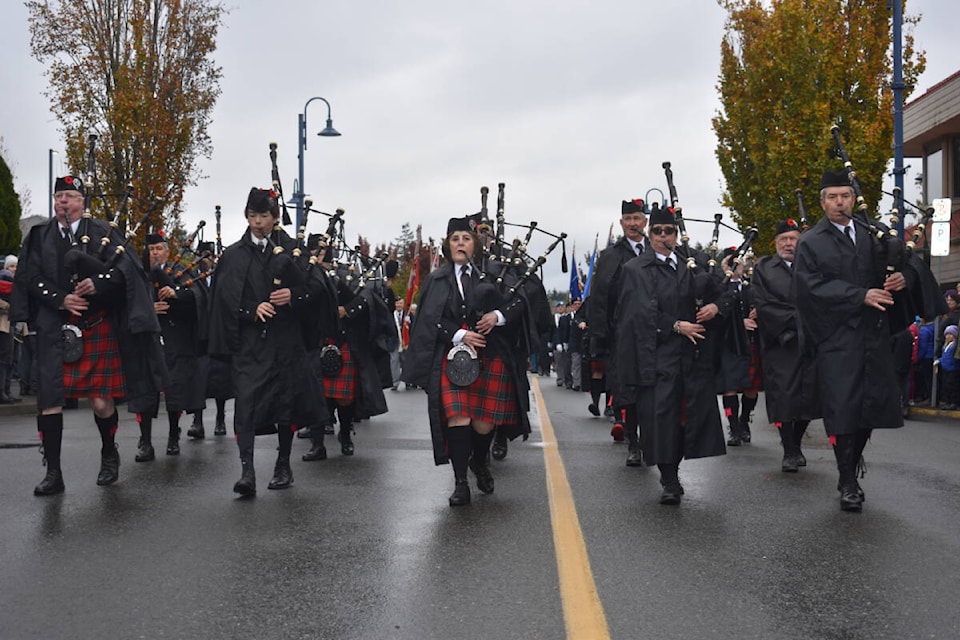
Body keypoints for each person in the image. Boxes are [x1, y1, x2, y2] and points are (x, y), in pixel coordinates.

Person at [13, 175, 166, 495]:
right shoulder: (39, 236)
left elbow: (126, 272)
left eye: (69, 196)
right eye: (58, 197)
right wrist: (61, 298)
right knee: (49, 402)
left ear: (82, 201)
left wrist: (99, 284)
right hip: (55, 326)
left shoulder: (100, 232)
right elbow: (31, 277)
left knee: (99, 401)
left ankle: (109, 451)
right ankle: (53, 472)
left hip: (95, 324)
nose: (62, 202)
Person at [794, 170, 920, 512]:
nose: (839, 202)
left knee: (870, 409)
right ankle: (847, 479)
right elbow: (809, 288)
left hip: (873, 336)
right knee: (843, 408)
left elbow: (909, 263)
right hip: (836, 338)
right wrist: (858, 295)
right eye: (832, 197)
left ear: (853, 198)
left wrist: (901, 278)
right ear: (822, 202)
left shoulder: (871, 233)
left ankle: (850, 468)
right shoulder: (811, 242)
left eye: (845, 196)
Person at [401, 215, 532, 506]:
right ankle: (461, 482)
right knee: (459, 418)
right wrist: (459, 334)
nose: (461, 243)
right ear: (448, 246)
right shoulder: (437, 279)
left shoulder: (495, 272)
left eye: (466, 238)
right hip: (453, 358)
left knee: (484, 423)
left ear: (476, 244)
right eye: (455, 239)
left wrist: (497, 317)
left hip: (491, 353)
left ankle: (480, 461)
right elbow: (429, 320)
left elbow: (521, 300)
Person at [207, 187, 327, 496]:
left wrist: (293, 297)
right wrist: (250, 310)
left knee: (285, 404)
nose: (258, 222)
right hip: (250, 343)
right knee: (246, 404)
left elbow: (317, 289)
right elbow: (223, 298)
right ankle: (247, 471)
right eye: (252, 216)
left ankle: (283, 465)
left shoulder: (293, 249)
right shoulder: (234, 255)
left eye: (263, 216)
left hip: (286, 340)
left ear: (275, 217)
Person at [616, 206, 726, 504]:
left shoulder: (692, 264)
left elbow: (722, 293)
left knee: (682, 418)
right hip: (657, 354)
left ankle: (673, 470)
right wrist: (676, 326)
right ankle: (668, 478)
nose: (664, 236)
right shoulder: (635, 269)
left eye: (669, 231)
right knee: (661, 418)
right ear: (649, 234)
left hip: (692, 356)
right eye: (658, 231)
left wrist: (715, 307)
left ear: (676, 235)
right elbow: (637, 313)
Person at [752, 218, 820, 472]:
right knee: (784, 398)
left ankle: (797, 443)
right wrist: (793, 321)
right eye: (783, 240)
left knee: (808, 397)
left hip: (810, 341)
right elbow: (763, 304)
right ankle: (788, 449)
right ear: (776, 243)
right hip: (780, 342)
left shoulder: (813, 266)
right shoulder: (764, 267)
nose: (789, 244)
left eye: (793, 239)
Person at [133, 232, 208, 461]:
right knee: (144, 391)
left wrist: (177, 295)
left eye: (158, 248)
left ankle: (173, 435)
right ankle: (145, 441)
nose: (154, 253)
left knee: (175, 389)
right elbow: (126, 301)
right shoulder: (137, 273)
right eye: (151, 249)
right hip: (146, 339)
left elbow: (200, 297)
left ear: (167, 251)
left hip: (176, 339)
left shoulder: (180, 272)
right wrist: (148, 310)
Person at [587, 198, 647, 460]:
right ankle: (634, 443)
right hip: (623, 336)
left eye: (637, 218)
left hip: (657, 335)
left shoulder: (658, 251)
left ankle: (651, 439)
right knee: (628, 391)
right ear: (622, 223)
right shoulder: (610, 256)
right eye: (628, 219)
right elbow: (599, 300)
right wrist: (600, 337)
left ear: (645, 221)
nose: (633, 223)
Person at [715, 249, 762, 446]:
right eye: (730, 263)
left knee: (752, 388)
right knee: (730, 387)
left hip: (751, 342)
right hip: (730, 344)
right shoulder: (720, 287)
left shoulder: (752, 286)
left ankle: (744, 420)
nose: (735, 266)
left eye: (738, 262)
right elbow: (717, 314)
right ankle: (733, 428)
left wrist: (761, 311)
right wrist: (739, 322)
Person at [0, 255, 21, 403]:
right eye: (11, 266)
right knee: (4, 358)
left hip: (13, 324)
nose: (14, 269)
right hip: (4, 324)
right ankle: (2, 391)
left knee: (11, 359)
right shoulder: (5, 281)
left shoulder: (17, 284)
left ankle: (6, 390)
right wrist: (9, 306)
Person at [938, 325, 960, 410]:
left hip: (953, 369)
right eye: (947, 334)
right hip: (945, 369)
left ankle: (954, 402)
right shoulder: (945, 346)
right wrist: (939, 361)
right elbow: (944, 357)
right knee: (946, 386)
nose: (948, 336)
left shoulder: (954, 346)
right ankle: (948, 402)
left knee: (953, 386)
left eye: (951, 334)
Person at [552, 301, 572, 387]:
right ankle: (560, 378)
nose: (560, 308)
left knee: (566, 362)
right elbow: (552, 332)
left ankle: (566, 378)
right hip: (556, 343)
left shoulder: (566, 318)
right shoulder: (553, 318)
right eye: (558, 307)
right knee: (559, 362)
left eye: (562, 306)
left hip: (565, 342)